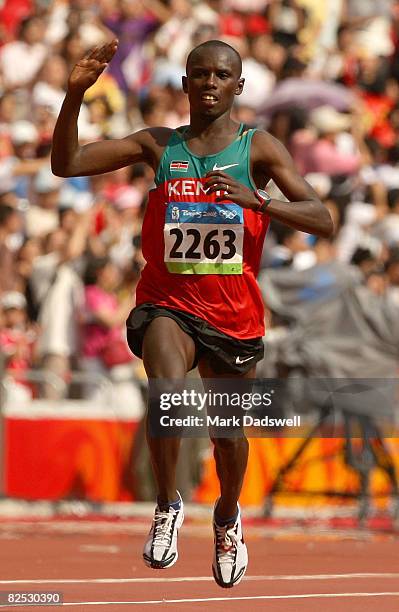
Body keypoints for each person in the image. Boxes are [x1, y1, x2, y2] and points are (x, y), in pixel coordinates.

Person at [51, 38, 333, 588]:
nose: (209, 83)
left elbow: (321, 219)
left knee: (228, 436)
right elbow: (68, 164)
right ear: (183, 85)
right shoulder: (159, 145)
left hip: (234, 312)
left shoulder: (260, 149)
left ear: (239, 86)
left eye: (221, 75)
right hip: (168, 299)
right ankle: (166, 504)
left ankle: (228, 514)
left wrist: (259, 202)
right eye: (199, 74)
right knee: (165, 388)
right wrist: (74, 96)